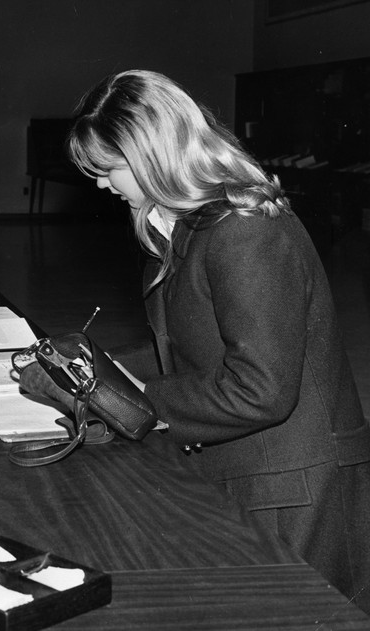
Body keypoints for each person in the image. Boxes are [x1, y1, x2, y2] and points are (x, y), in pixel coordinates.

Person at [67, 69, 370, 613]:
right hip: (252, 463)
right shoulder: (189, 223)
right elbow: (191, 347)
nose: (99, 184)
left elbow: (261, 390)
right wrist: (105, 363)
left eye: (108, 169)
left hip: (294, 485)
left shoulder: (245, 231)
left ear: (153, 155)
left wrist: (139, 401)